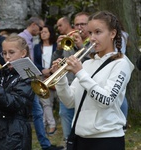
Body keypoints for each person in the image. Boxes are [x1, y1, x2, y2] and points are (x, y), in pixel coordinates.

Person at [51, 10, 134, 150]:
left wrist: (80, 73)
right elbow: (70, 101)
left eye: (98, 32)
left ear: (112, 34)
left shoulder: (121, 64)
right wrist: (60, 77)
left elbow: (106, 100)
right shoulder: (88, 63)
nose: (92, 38)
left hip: (106, 139)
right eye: (90, 33)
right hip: (81, 138)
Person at [19, 18, 63, 150]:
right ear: (33, 25)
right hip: (28, 79)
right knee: (37, 112)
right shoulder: (22, 39)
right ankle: (44, 144)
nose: (40, 32)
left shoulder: (30, 40)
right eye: (40, 29)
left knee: (38, 113)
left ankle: (45, 144)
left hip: (33, 78)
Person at [0, 35, 35, 149]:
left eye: (11, 52)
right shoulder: (3, 73)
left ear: (23, 53)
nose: (7, 57)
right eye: (4, 53)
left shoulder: (28, 75)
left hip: (15, 135)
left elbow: (13, 103)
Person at [52, 13, 90, 144]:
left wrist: (81, 47)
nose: (79, 27)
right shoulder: (68, 40)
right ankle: (69, 142)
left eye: (83, 24)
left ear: (89, 25)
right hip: (68, 86)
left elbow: (95, 62)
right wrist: (57, 50)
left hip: (86, 88)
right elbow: (55, 62)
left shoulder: (94, 42)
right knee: (65, 116)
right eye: (77, 24)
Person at [33, 25, 57, 135]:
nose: (43, 33)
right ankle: (51, 125)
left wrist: (51, 71)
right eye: (41, 32)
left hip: (55, 75)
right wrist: (42, 70)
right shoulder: (37, 47)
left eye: (45, 32)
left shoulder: (56, 46)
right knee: (45, 101)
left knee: (50, 101)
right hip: (42, 75)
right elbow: (35, 62)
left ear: (50, 33)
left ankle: (44, 123)